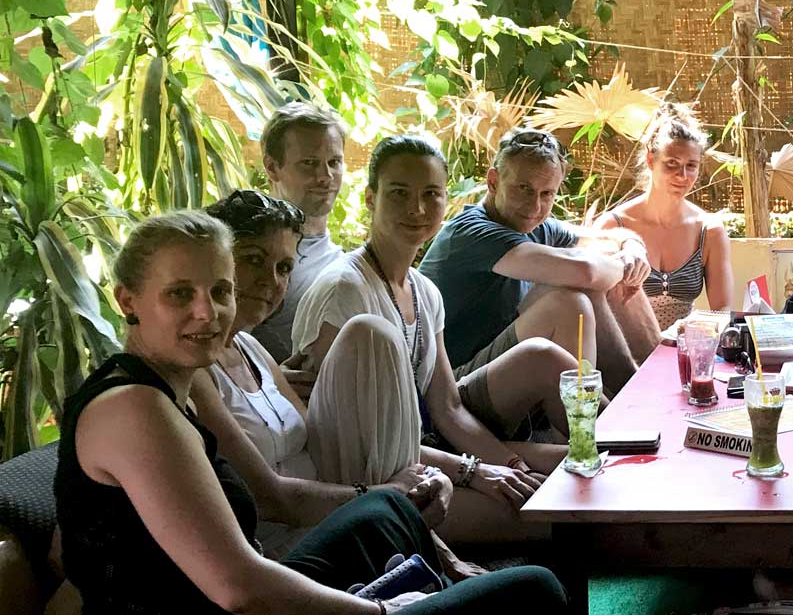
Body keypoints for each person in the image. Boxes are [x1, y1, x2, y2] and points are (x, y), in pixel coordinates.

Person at [55, 211, 563, 615]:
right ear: (128, 300)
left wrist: (408, 495)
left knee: (387, 512)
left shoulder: (172, 387)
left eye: (219, 291)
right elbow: (240, 587)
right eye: (179, 294)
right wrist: (376, 611)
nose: (207, 312)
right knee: (536, 593)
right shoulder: (135, 410)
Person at [192, 190, 536, 553]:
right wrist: (387, 494)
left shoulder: (253, 351)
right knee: (370, 334)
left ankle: (429, 544)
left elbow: (352, 437)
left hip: (345, 510)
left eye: (284, 268)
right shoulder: (196, 373)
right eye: (253, 259)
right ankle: (426, 547)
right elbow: (272, 499)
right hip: (299, 551)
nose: (271, 280)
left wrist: (461, 471)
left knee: (543, 500)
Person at [294, 135, 567, 511]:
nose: (417, 209)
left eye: (431, 194)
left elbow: (449, 409)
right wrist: (474, 471)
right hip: (374, 484)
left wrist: (511, 466)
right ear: (371, 198)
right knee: (554, 514)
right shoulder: (344, 291)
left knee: (576, 469)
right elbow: (349, 435)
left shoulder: (423, 290)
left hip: (427, 454)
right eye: (399, 193)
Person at [420, 127, 655, 400]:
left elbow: (609, 240)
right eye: (524, 189)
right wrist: (624, 267)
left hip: (500, 364)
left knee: (602, 276)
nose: (534, 207)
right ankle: (592, 415)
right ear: (493, 181)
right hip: (451, 385)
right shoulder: (472, 232)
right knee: (569, 302)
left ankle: (639, 384)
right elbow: (586, 271)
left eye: (547, 194)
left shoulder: (534, 224)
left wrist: (632, 247)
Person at [595, 102, 733, 330]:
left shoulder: (709, 231)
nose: (682, 175)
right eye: (672, 164)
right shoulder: (613, 226)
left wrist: (696, 330)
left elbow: (722, 310)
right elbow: (595, 306)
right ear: (651, 160)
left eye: (691, 165)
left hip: (682, 345)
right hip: (624, 345)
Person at [250, 102, 347, 364]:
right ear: (272, 167)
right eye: (309, 163)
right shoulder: (251, 254)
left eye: (334, 162)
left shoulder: (344, 260)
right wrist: (271, 378)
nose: (325, 176)